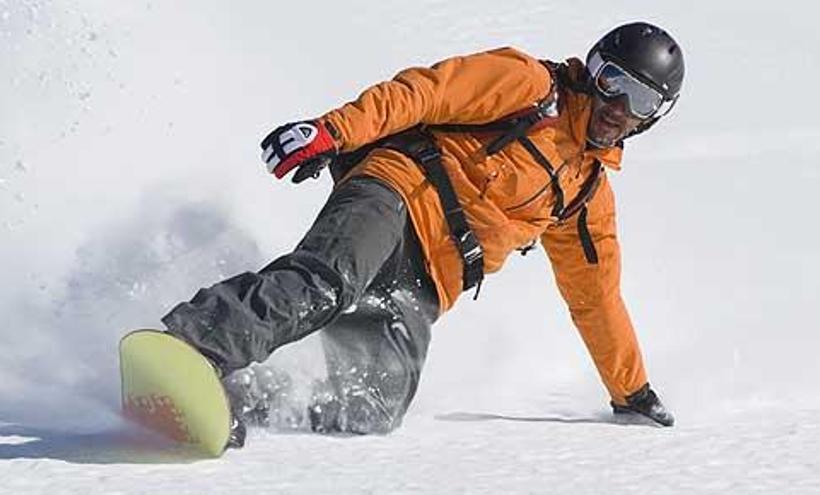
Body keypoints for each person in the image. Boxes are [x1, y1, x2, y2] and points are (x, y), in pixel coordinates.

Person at [161, 21, 685, 447]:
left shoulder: (585, 194)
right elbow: (423, 94)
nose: (619, 107)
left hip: (431, 279)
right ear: (594, 71)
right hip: (398, 193)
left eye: (642, 100)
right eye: (615, 82)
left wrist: (631, 391)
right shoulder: (528, 85)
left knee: (373, 404)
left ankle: (238, 392)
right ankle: (194, 347)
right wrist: (332, 131)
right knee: (327, 282)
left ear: (653, 118)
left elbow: (595, 299)